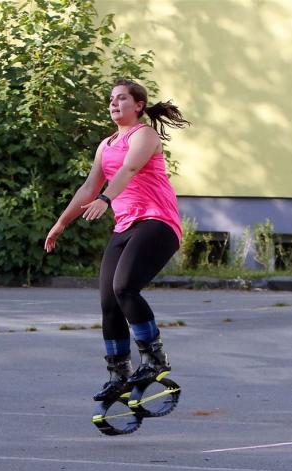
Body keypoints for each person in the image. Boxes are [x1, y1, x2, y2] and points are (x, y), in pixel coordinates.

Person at [45, 78, 191, 401]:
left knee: (125, 287)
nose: (114, 103)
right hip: (125, 226)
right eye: (111, 98)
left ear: (138, 105)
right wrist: (61, 223)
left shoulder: (144, 135)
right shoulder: (106, 144)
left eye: (122, 98)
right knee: (109, 302)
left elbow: (130, 168)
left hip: (157, 222)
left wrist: (106, 199)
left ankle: (153, 358)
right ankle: (119, 373)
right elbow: (88, 187)